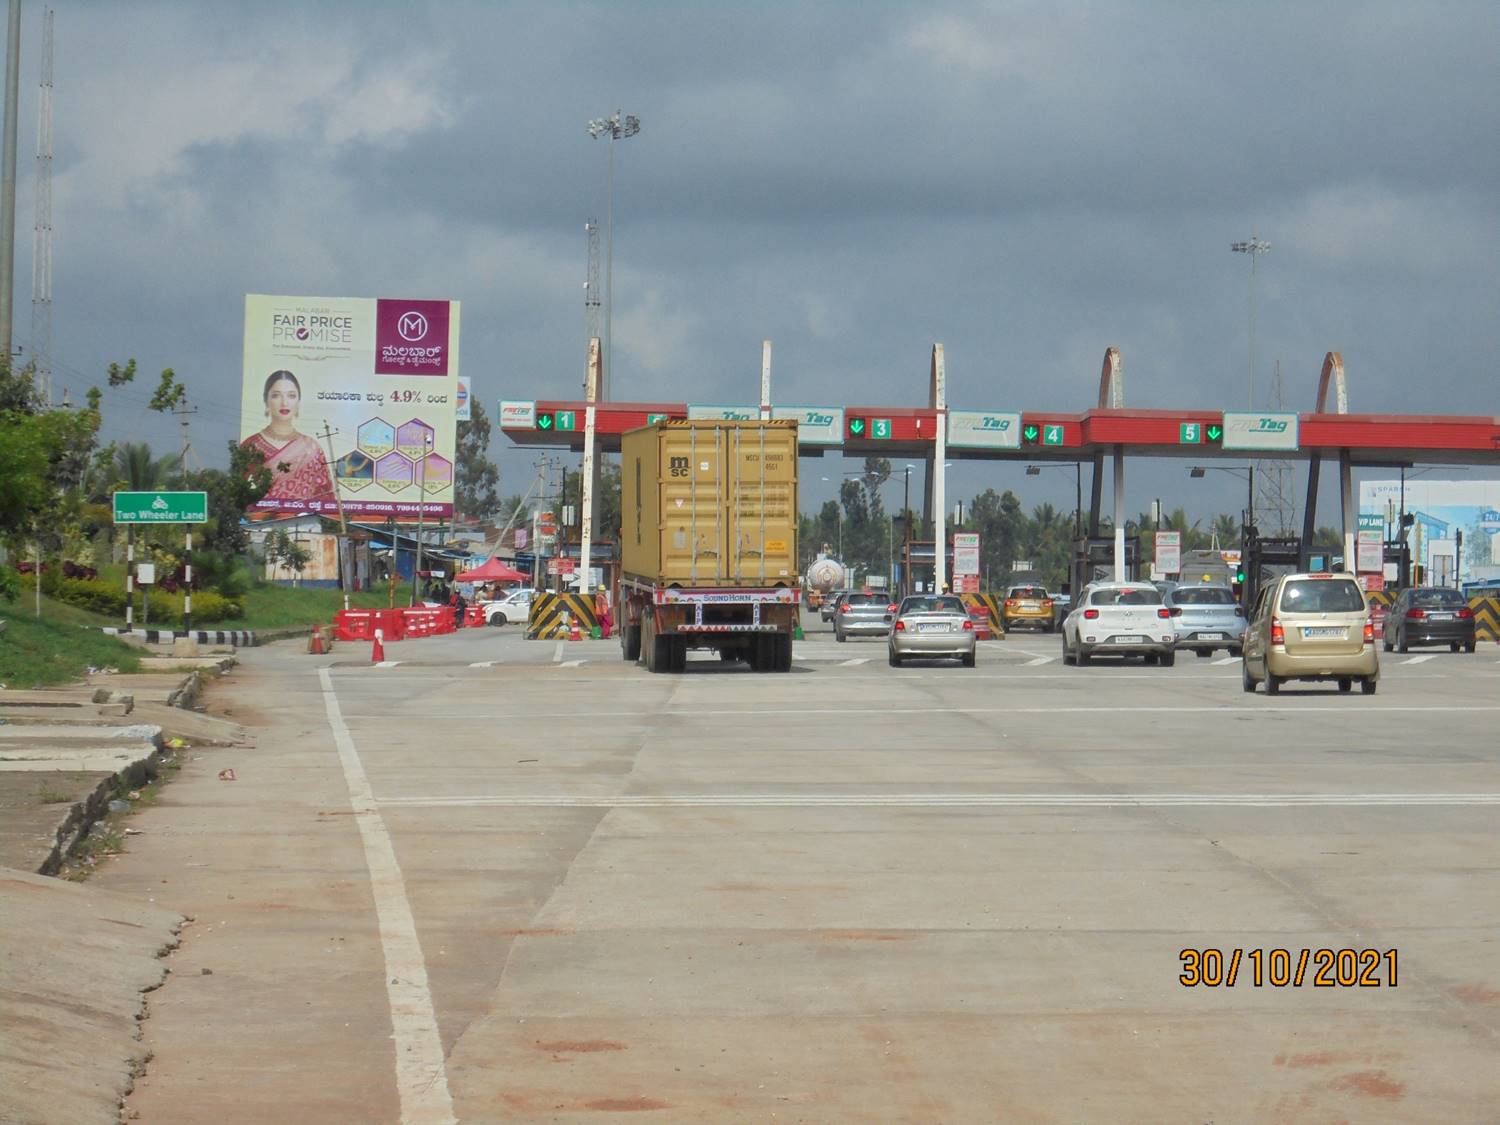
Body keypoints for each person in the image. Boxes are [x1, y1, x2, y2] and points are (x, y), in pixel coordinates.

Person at [240, 370, 336, 505]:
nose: (284, 402)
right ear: (266, 401)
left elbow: (326, 499)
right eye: (276, 396)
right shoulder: (251, 445)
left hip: (306, 523)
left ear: (298, 402)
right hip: (258, 522)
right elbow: (238, 493)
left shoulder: (311, 448)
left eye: (291, 396)